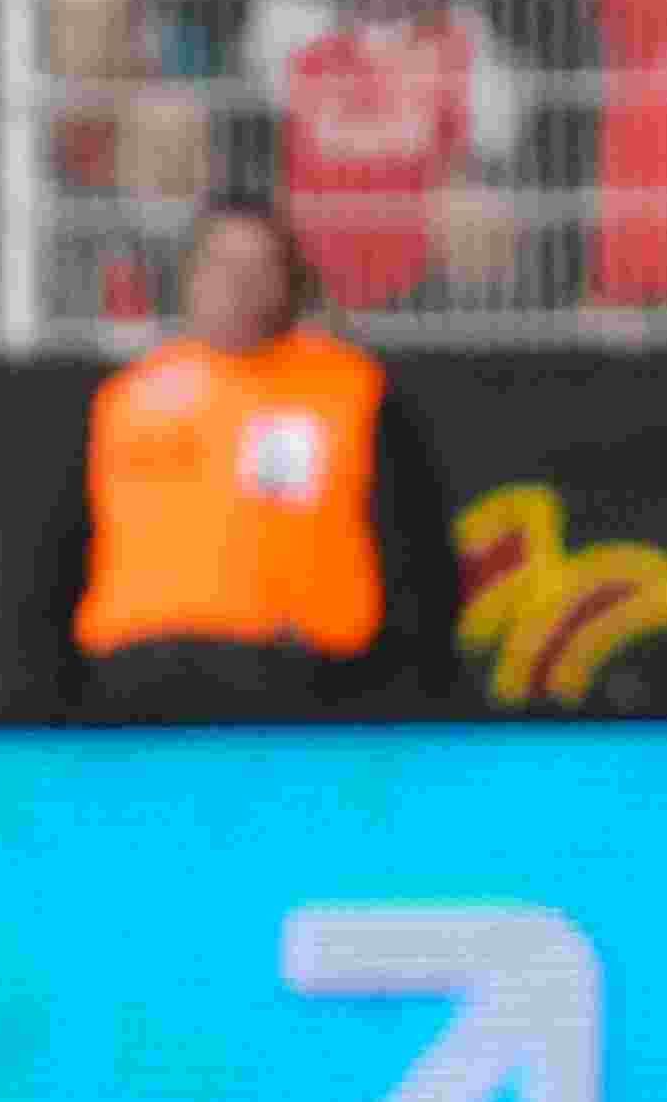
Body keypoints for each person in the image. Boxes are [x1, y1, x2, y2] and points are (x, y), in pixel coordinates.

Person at [50, 197, 461, 716]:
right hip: (136, 691)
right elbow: (60, 560)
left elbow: (418, 556)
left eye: (260, 265)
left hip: (303, 688)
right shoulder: (123, 399)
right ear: (188, 278)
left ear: (291, 281)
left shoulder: (353, 391)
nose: (239, 283)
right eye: (222, 264)